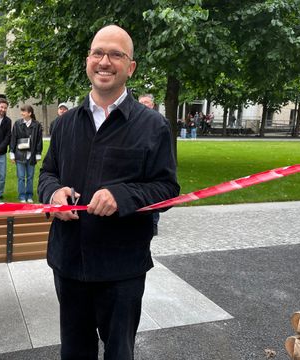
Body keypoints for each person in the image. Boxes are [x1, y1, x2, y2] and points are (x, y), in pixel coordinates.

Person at [38, 25, 180, 360]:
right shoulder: (64, 124)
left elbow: (167, 188)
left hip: (122, 268)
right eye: (98, 52)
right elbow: (47, 174)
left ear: (130, 67)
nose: (105, 61)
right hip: (68, 262)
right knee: (74, 352)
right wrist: (54, 194)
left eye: (116, 54)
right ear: (88, 60)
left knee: (119, 353)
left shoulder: (152, 126)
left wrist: (122, 196)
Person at [9, 104, 43, 203]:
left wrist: (38, 154)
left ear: (30, 113)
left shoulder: (36, 125)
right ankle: (22, 196)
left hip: (31, 155)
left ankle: (29, 195)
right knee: (21, 177)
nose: (22, 113)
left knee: (30, 177)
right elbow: (13, 138)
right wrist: (12, 153)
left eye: (24, 111)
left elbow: (39, 141)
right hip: (19, 154)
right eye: (21, 111)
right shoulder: (17, 123)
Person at [138, 94, 160, 236]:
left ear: (152, 105)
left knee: (153, 195)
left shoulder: (157, 122)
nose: (144, 105)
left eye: (147, 102)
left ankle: (153, 223)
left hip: (152, 167)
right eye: (141, 102)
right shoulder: (133, 120)